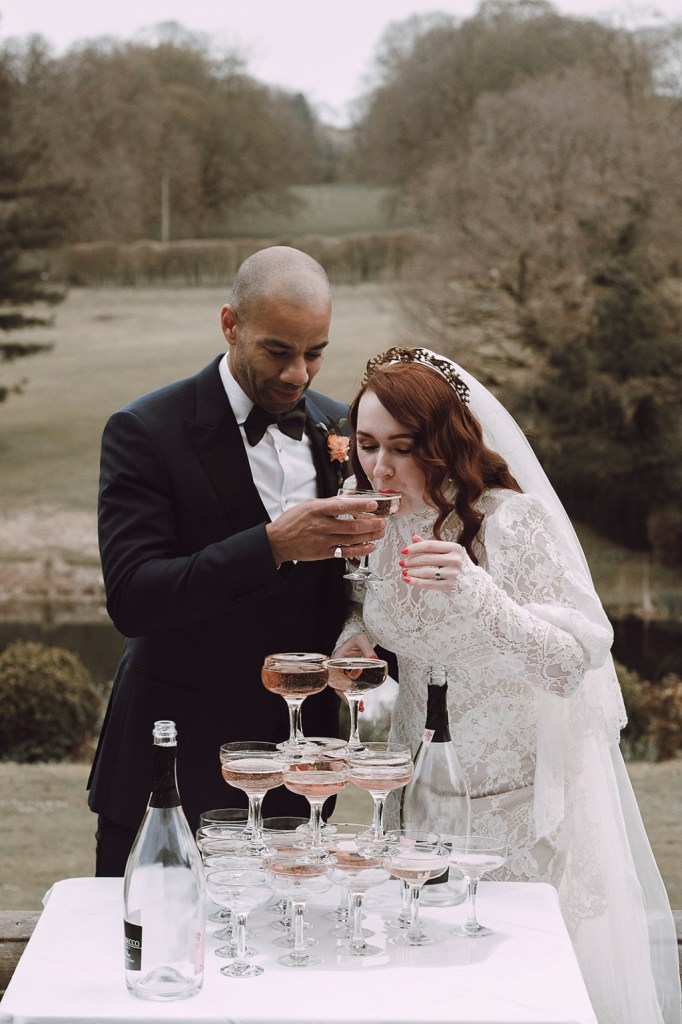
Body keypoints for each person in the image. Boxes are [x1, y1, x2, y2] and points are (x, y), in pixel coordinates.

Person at [334, 346, 681, 1024]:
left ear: (441, 442)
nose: (379, 467)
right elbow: (374, 606)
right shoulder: (373, 519)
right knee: (429, 987)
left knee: (516, 994)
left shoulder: (511, 522)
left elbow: (570, 660)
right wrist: (355, 633)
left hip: (518, 810)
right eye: (368, 446)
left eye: (401, 448)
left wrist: (478, 592)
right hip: (416, 801)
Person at [87, 245, 387, 876]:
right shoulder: (145, 430)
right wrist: (271, 546)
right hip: (167, 769)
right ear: (230, 325)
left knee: (289, 950)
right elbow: (134, 597)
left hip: (297, 775)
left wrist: (357, 634)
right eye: (278, 351)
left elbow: (345, 594)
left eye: (315, 352)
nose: (298, 374)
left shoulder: (340, 428)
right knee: (152, 954)